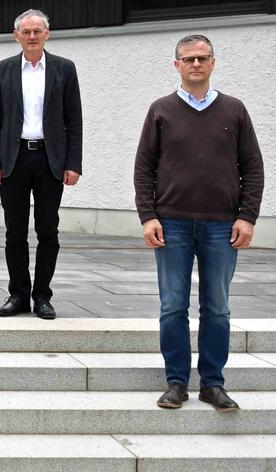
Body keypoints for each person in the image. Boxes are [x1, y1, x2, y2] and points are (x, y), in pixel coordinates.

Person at [134, 34, 263, 412]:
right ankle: (176, 382)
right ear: (176, 65)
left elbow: (252, 167)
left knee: (217, 306)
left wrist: (247, 216)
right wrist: (148, 216)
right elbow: (144, 168)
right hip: (171, 223)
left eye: (202, 58)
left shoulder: (234, 110)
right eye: (188, 58)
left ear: (213, 62)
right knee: (173, 305)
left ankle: (212, 383)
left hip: (222, 225)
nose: (195, 64)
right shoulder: (160, 110)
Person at [0, 9, 82, 319]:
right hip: (14, 159)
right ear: (17, 36)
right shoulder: (4, 70)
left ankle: (42, 296)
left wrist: (74, 163)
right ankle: (18, 294)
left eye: (37, 31)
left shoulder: (64, 69)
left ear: (47, 34)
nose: (32, 36)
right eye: (26, 32)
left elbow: (74, 119)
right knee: (14, 232)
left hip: (50, 160)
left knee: (47, 230)